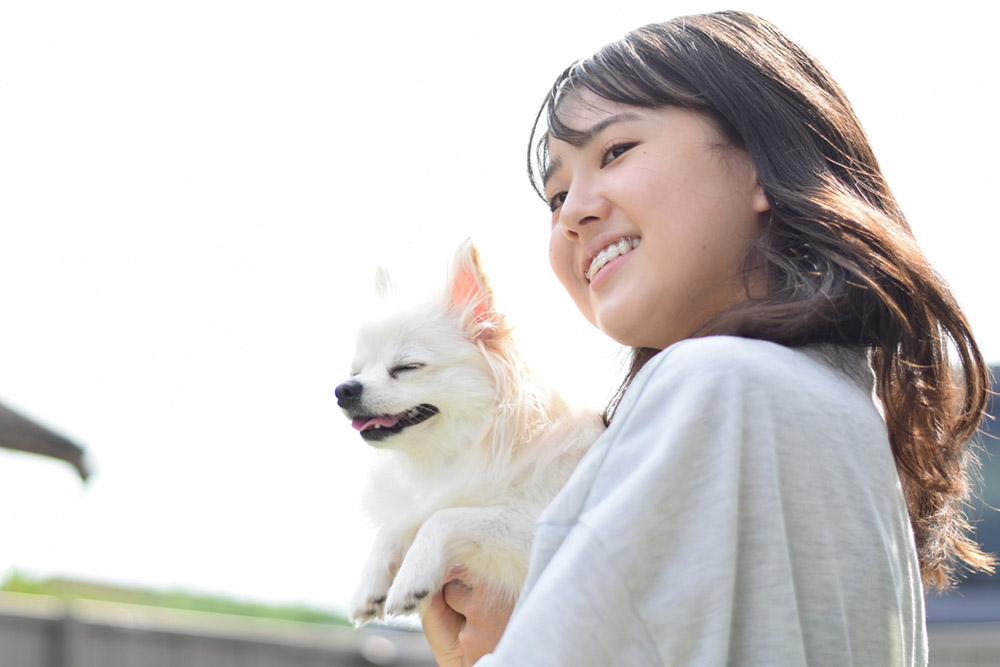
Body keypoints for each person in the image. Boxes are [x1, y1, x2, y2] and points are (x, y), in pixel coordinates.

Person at [422, 10, 995, 666]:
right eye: (555, 197)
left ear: (761, 162)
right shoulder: (841, 414)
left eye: (616, 151)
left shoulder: (716, 386)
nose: (574, 211)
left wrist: (489, 652)